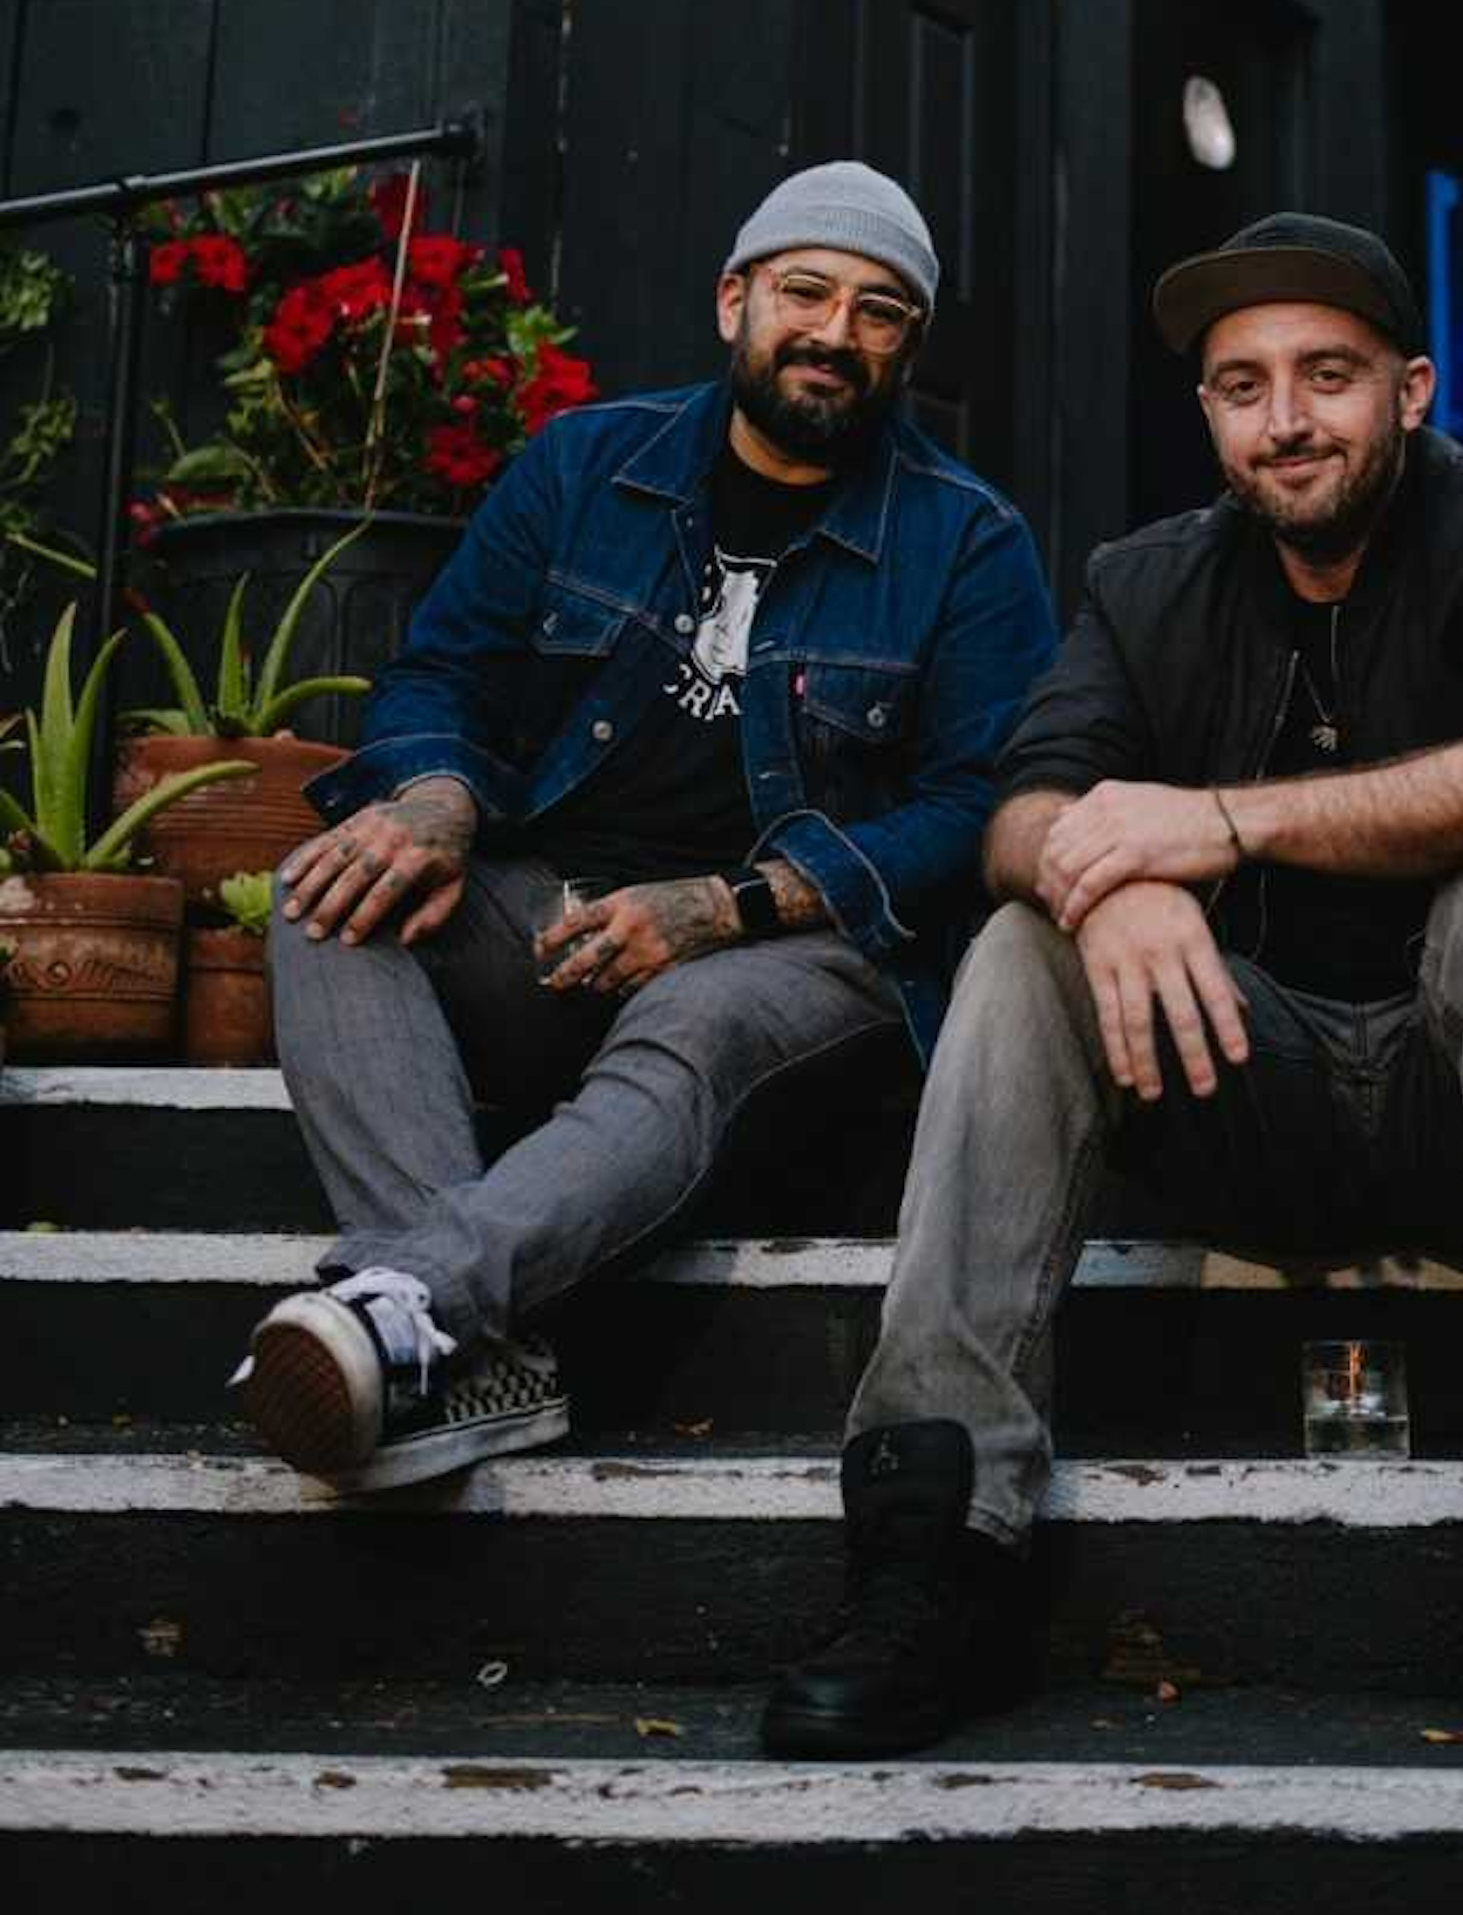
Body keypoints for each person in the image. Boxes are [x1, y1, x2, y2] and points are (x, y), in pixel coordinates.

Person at [762, 213, 1463, 1773]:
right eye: (1241, 385)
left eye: (1327, 376)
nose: (1284, 419)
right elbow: (1019, 806)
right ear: (1209, 414)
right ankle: (935, 1536)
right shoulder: (1145, 583)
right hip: (1241, 1087)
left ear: (1410, 389)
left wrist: (1213, 822)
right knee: (1026, 935)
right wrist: (1107, 871)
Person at [231, 162, 1056, 1497]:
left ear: (909, 346)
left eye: (881, 311)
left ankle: (405, 1308)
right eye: (805, 291)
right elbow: (444, 670)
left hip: (800, 951)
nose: (836, 332)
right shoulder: (581, 465)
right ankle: (470, 1352)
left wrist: (725, 907)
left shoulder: (967, 542)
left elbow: (978, 809)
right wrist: (436, 798)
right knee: (329, 890)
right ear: (736, 298)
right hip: (559, 915)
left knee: (701, 1016)